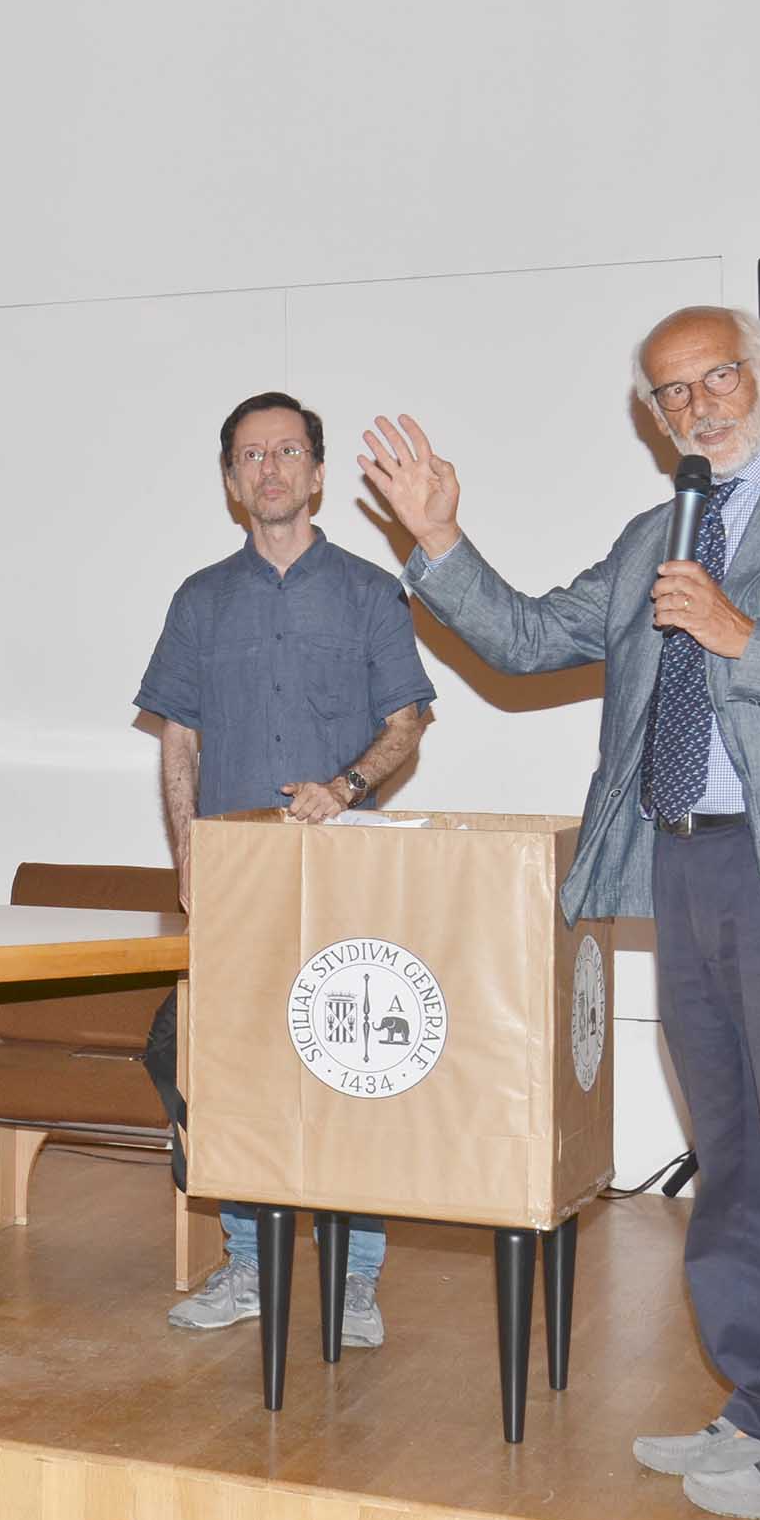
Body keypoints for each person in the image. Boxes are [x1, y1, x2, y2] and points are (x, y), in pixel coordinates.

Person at [363, 305, 760, 1520]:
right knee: (731, 1170)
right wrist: (437, 538)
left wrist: (742, 637)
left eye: (714, 378)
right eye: (668, 394)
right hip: (683, 869)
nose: (695, 408)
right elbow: (528, 638)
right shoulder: (654, 537)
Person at [134, 392, 435, 1348]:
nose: (270, 469)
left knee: (354, 1066)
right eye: (251, 455)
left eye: (288, 451)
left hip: (347, 872)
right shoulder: (199, 599)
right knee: (230, 1072)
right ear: (232, 481)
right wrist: (189, 854)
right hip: (237, 882)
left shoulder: (370, 592)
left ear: (317, 473)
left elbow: (406, 722)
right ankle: (250, 1263)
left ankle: (355, 1278)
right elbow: (179, 737)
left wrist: (345, 787)